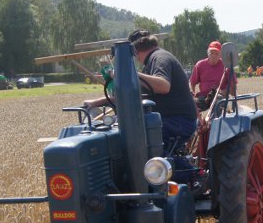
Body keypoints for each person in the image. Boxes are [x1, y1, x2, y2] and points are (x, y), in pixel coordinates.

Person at [83, 29, 197, 159]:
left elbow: (164, 86)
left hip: (178, 122)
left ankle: (172, 172)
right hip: (168, 119)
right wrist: (95, 103)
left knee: (135, 138)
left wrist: (130, 72)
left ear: (135, 51)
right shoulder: (151, 62)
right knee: (117, 128)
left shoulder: (160, 58)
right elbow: (133, 97)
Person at [189, 40, 236, 110]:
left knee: (218, 104)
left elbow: (233, 87)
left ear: (220, 55)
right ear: (208, 53)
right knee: (189, 106)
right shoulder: (200, 65)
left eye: (216, 53)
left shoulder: (226, 66)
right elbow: (192, 83)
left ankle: (214, 120)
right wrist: (192, 94)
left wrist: (223, 91)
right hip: (204, 96)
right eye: (211, 53)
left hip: (219, 96)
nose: (213, 56)